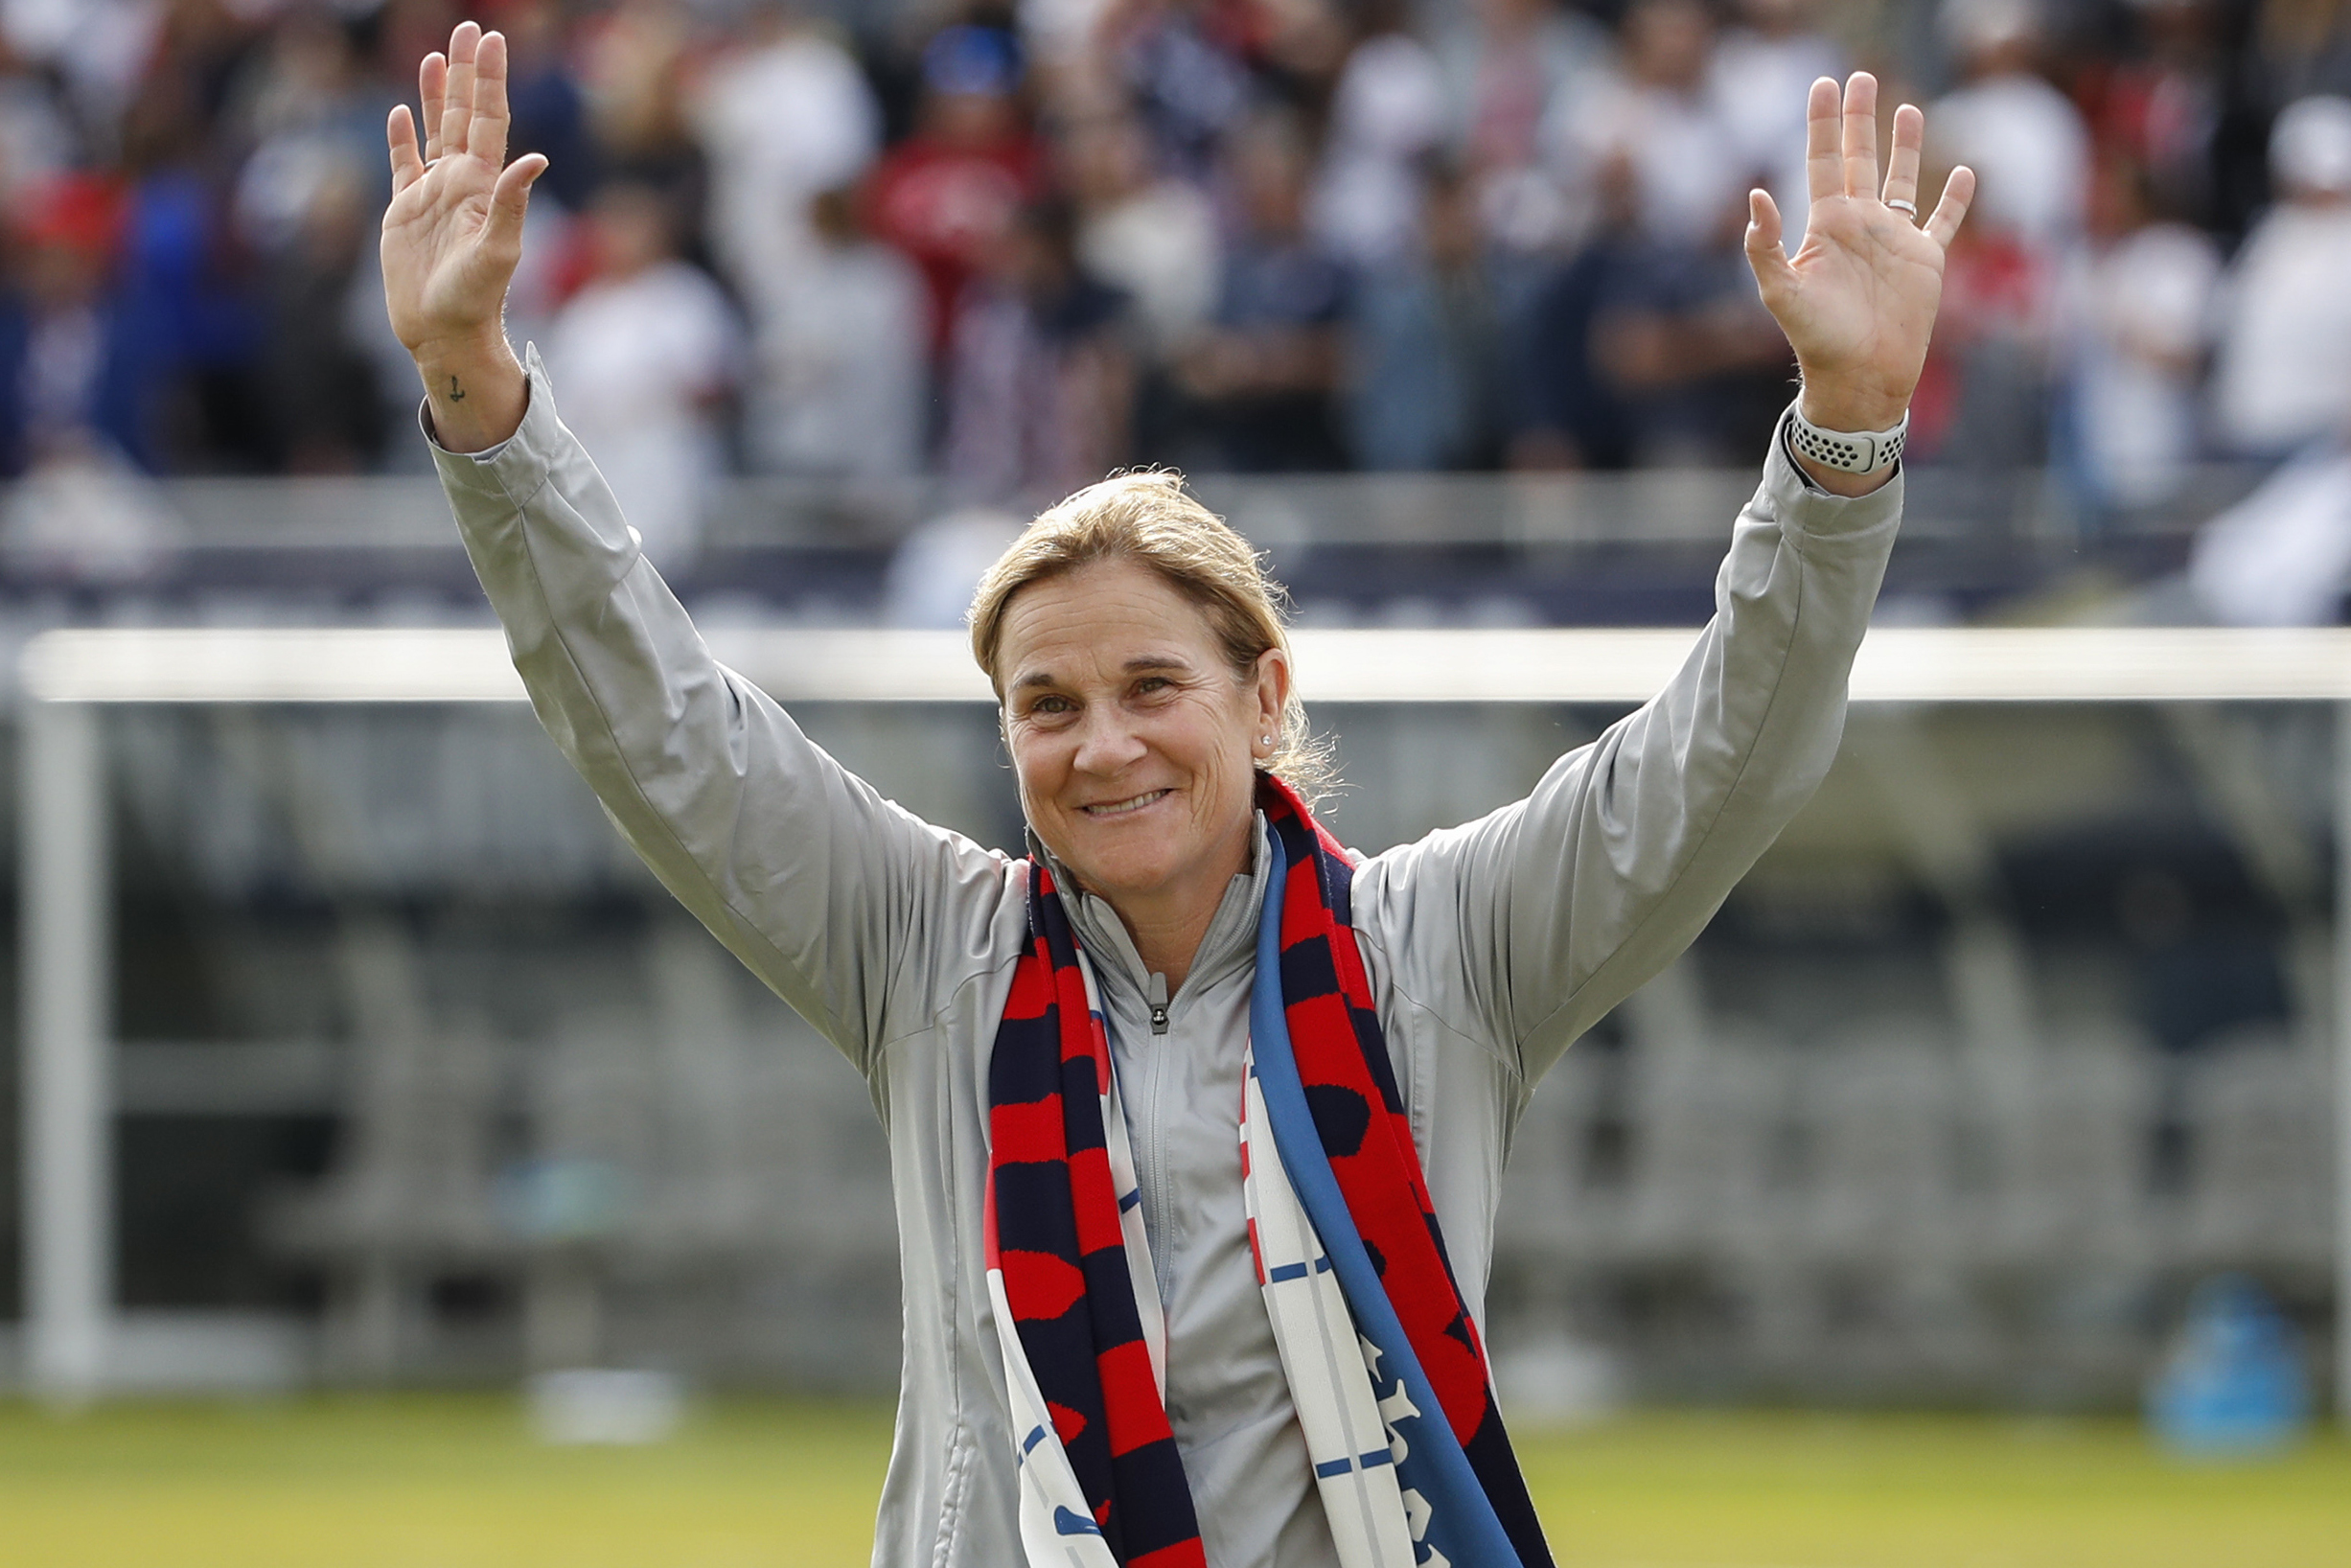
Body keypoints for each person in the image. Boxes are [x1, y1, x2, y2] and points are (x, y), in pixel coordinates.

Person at [383, 22, 1971, 1568]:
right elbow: (655, 724)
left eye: (1152, 689)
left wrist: (1840, 439)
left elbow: (1722, 756)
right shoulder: (928, 951)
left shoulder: (1443, 947)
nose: (1102, 746)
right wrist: (474, 383)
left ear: (1262, 696)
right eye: (1047, 707)